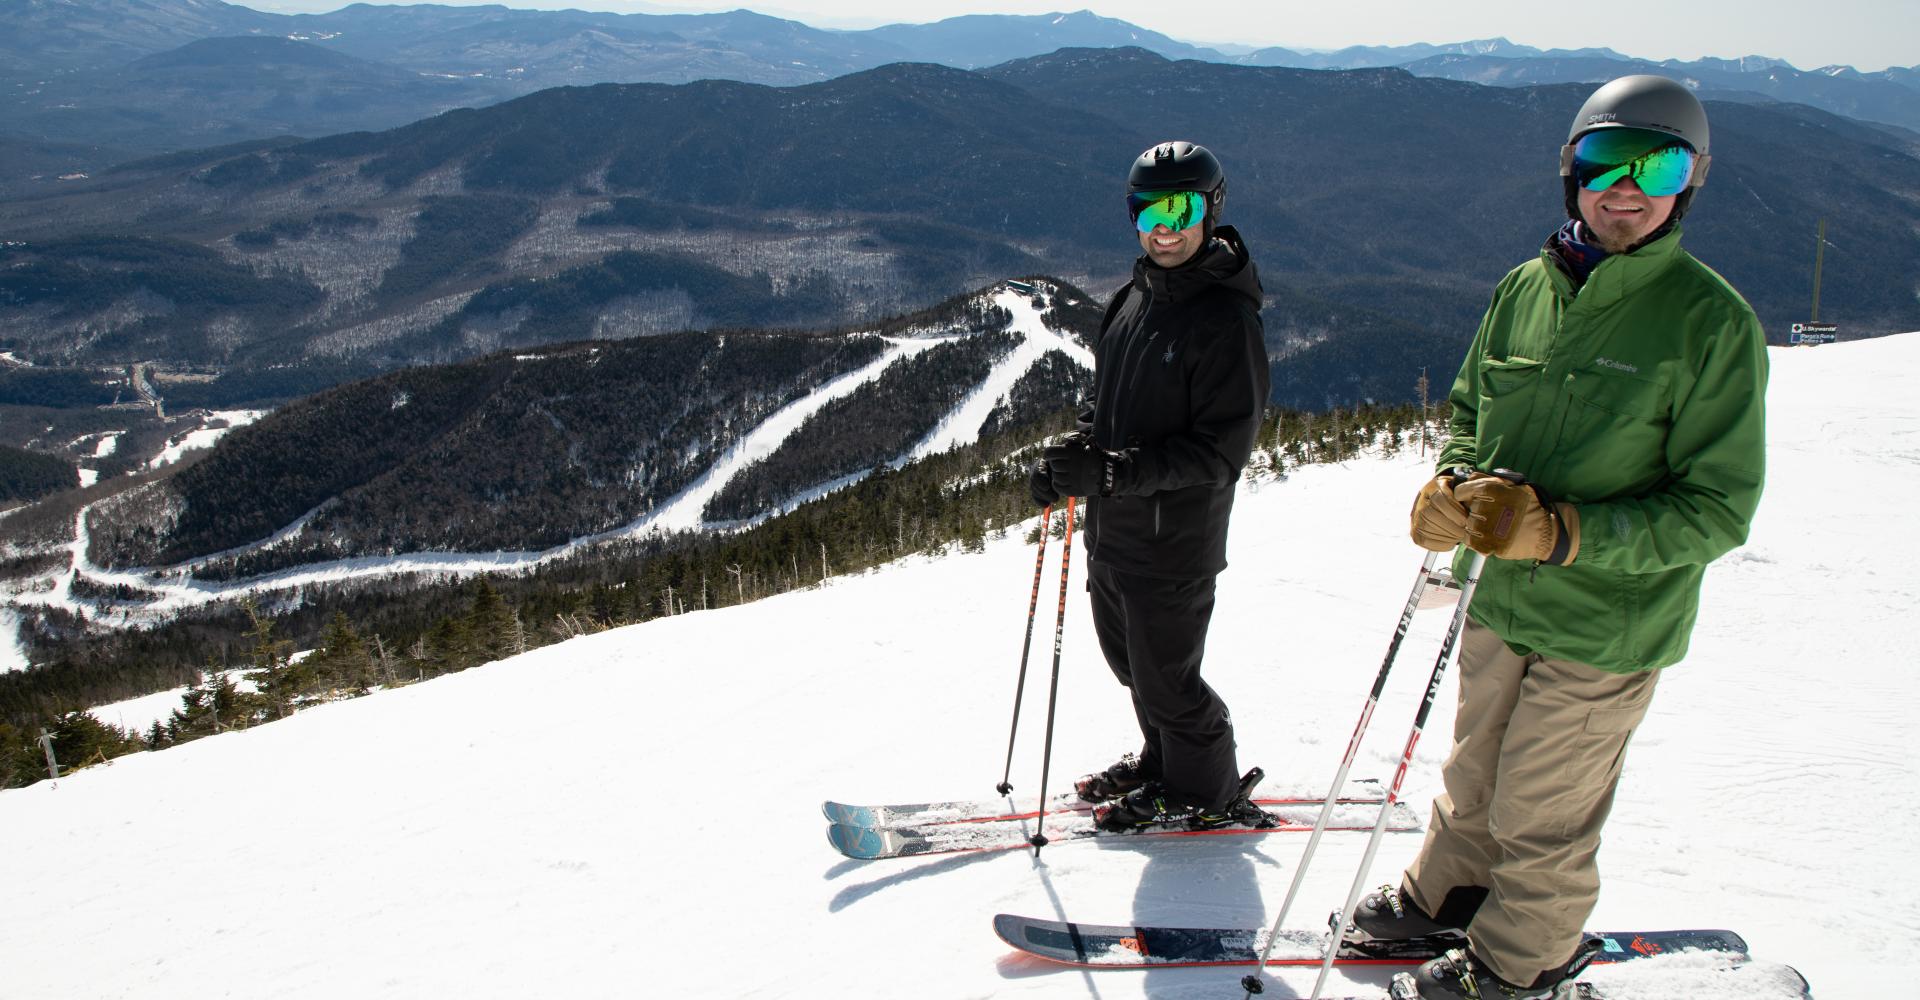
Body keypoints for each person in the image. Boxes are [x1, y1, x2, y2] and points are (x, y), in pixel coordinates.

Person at [1354, 76, 1770, 1000]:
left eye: (1654, 165)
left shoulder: (1711, 325)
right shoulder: (1524, 290)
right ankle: (1446, 895)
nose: (1624, 188)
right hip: (1501, 595)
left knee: (1545, 805)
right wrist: (1454, 486)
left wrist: (1566, 535)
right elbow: (1471, 410)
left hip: (1607, 622)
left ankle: (1522, 961)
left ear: (1689, 180)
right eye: (1600, 162)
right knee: (1474, 771)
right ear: (1570, 172)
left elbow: (1718, 509)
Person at [1028, 140, 1272, 832]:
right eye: (1147, 209)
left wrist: (1112, 473)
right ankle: (1164, 760)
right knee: (1133, 666)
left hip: (1174, 544)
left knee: (1170, 679)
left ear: (1210, 210)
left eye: (1180, 207)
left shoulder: (1227, 321)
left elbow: (1220, 454)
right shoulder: (1134, 298)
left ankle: (1206, 786)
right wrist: (1073, 456)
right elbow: (1105, 405)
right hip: (1116, 532)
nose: (1163, 225)